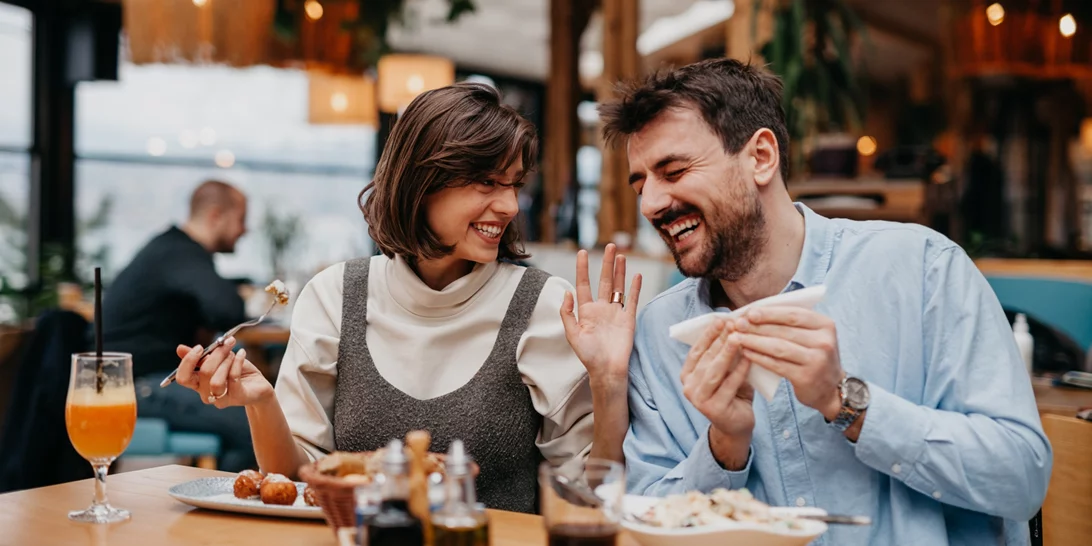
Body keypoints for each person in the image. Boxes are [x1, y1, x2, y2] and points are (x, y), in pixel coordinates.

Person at [590, 58, 1051, 545]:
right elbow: (643, 514)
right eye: (641, 185)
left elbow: (1022, 477)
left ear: (761, 157)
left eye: (674, 171)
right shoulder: (658, 333)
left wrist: (847, 402)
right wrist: (723, 447)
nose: (650, 205)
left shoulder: (923, 269)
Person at [168, 82, 637, 514]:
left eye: (514, 183)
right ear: (421, 183)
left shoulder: (543, 305)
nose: (510, 205)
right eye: (487, 183)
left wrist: (609, 383)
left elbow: (587, 491)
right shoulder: (335, 296)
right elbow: (295, 483)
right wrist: (261, 403)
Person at [103, 180, 255, 472]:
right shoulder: (181, 253)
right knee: (252, 424)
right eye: (241, 219)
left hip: (138, 380)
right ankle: (229, 499)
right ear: (215, 215)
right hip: (137, 385)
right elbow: (229, 309)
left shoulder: (170, 249)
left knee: (251, 411)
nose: (244, 230)